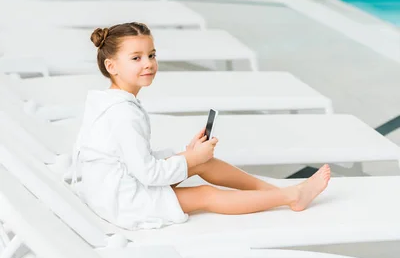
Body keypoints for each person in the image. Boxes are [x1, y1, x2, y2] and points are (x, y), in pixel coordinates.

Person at [71, 21, 330, 230]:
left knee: (202, 162)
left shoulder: (108, 101)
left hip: (110, 187)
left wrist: (190, 156)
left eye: (151, 55)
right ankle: (292, 197)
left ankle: (275, 192)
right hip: (123, 201)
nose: (148, 63)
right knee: (206, 195)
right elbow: (148, 174)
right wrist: (188, 159)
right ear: (111, 65)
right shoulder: (123, 115)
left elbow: (128, 160)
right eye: (136, 58)